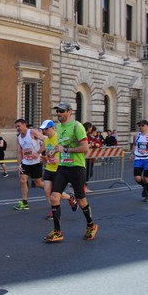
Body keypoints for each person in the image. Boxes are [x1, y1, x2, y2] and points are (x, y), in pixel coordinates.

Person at [44, 101, 98, 243]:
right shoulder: (59, 127)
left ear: (69, 112)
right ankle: (57, 232)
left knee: (81, 201)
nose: (59, 114)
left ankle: (91, 225)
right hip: (62, 167)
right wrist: (53, 151)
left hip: (77, 167)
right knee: (54, 197)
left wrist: (66, 150)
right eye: (58, 111)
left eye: (62, 111)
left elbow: (85, 148)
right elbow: (60, 145)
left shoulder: (77, 126)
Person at [39, 119, 78, 220]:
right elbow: (48, 154)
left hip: (58, 169)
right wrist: (44, 158)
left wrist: (59, 159)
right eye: (43, 130)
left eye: (46, 129)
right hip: (49, 168)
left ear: (52, 128)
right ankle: (54, 210)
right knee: (47, 190)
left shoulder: (59, 138)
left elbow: (67, 153)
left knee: (56, 193)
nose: (44, 131)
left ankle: (70, 198)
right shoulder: (46, 140)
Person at [13, 118, 44, 210]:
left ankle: (52, 189)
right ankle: (25, 201)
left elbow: (47, 141)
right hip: (26, 162)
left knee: (38, 183)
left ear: (24, 124)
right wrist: (19, 165)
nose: (17, 128)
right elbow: (19, 152)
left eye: (19, 126)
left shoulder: (32, 132)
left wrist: (38, 152)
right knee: (23, 180)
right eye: (16, 127)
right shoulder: (18, 138)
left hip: (36, 162)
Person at [130, 119, 148, 203]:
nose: (140, 127)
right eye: (139, 125)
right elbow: (135, 145)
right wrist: (132, 154)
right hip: (138, 158)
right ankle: (145, 187)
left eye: (142, 125)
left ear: (147, 126)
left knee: (146, 178)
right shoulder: (136, 135)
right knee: (137, 178)